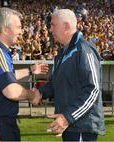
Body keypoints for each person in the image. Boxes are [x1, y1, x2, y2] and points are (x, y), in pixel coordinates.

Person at [0, 8, 48, 141]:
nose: (21, 31)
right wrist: (33, 95)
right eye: (18, 27)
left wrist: (31, 70)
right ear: (5, 29)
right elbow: (11, 91)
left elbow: (6, 77)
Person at [34, 9, 105, 141]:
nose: (50, 29)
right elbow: (55, 84)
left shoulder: (84, 49)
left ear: (66, 26)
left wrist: (67, 117)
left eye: (53, 25)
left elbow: (93, 90)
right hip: (70, 125)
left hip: (82, 126)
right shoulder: (62, 54)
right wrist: (40, 92)